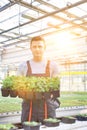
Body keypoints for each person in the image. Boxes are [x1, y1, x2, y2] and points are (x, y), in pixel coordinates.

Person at [18, 36, 60, 123]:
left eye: (40, 46)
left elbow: (56, 87)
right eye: (34, 46)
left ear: (44, 48)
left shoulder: (53, 66)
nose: (37, 49)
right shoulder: (23, 66)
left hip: (47, 108)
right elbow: (18, 87)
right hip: (29, 108)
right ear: (31, 48)